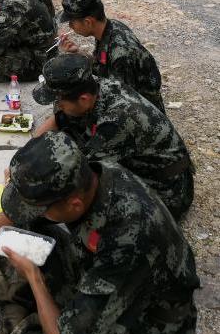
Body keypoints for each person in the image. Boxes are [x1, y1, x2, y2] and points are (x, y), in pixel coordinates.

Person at [0, 132, 199, 334]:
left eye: (40, 208)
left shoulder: (128, 240)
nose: (34, 213)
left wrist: (34, 277)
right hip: (103, 278)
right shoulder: (86, 174)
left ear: (74, 204)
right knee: (10, 241)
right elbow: (13, 217)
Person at [33, 54, 194, 219]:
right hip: (135, 160)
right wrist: (31, 150)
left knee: (77, 204)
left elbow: (79, 172)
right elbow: (59, 118)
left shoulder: (118, 120)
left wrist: (32, 182)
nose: (57, 106)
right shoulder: (88, 85)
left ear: (84, 99)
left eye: (60, 103)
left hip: (167, 190)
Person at [58, 0, 165, 111]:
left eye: (71, 22)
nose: (70, 26)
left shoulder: (121, 52)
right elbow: (102, 65)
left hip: (141, 111)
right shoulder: (108, 27)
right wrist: (77, 53)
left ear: (88, 22)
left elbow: (123, 101)